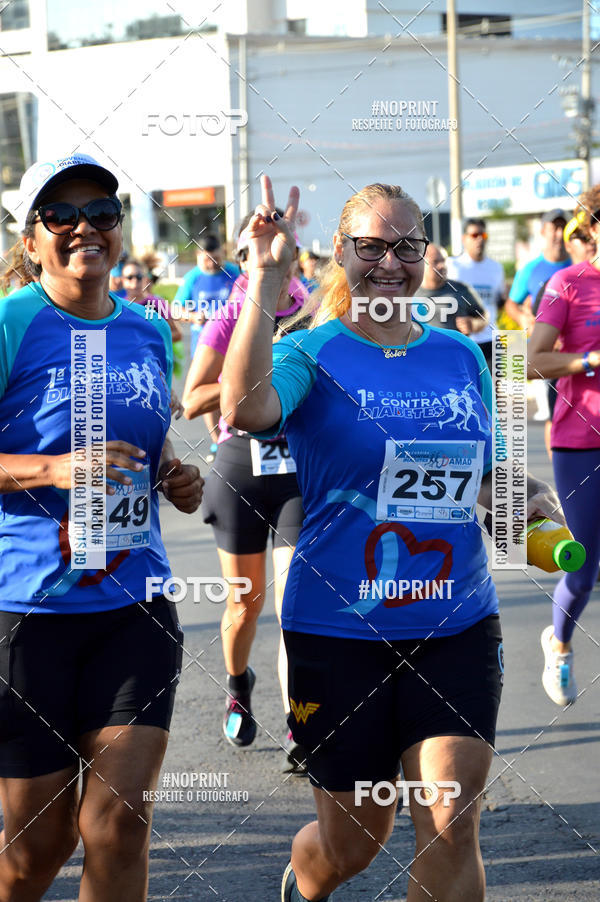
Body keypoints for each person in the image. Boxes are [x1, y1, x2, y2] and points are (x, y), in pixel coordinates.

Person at [220, 176, 561, 902]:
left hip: (456, 621)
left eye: (407, 245)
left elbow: (494, 480)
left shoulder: (467, 355)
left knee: (450, 814)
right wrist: (267, 277)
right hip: (337, 632)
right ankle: (306, 878)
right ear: (341, 253)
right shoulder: (309, 351)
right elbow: (244, 409)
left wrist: (532, 506)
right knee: (353, 839)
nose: (390, 262)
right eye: (371, 246)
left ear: (426, 254)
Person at [0, 153, 203, 901]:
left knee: (118, 824)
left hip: (133, 607)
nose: (85, 227)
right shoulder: (11, 323)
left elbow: (144, 447)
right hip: (28, 613)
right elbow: (68, 458)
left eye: (102, 213)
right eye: (63, 215)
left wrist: (174, 477)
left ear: (121, 231)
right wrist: (54, 470)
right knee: (37, 847)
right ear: (33, 240)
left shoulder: (148, 332)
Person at [182, 216, 308, 771]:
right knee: (244, 602)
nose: (279, 265)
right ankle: (237, 683)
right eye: (261, 253)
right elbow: (191, 402)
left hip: (300, 473)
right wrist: (254, 378)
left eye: (289, 255)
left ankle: (300, 725)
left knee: (295, 605)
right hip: (241, 465)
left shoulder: (314, 313)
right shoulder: (231, 314)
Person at [528, 187, 600, 706]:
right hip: (581, 442)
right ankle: (559, 643)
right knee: (583, 564)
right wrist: (589, 361)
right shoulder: (567, 283)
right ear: (592, 228)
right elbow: (531, 360)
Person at [531, 215, 597, 458]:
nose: (588, 242)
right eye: (580, 237)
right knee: (551, 417)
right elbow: (514, 306)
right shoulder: (558, 278)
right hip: (580, 427)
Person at [176, 235, 240, 461]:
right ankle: (216, 441)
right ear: (198, 256)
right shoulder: (192, 278)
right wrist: (193, 316)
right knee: (207, 394)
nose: (212, 262)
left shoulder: (235, 273)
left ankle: (232, 434)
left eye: (216, 257)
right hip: (205, 348)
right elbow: (176, 309)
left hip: (235, 347)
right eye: (207, 258)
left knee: (232, 390)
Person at [446, 217, 506, 369]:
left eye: (483, 235)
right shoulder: (453, 266)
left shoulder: (496, 268)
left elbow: (500, 301)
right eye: (474, 235)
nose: (480, 239)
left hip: (491, 340)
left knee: (497, 391)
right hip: (464, 340)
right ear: (464, 239)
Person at [504, 208, 571, 333]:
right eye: (554, 228)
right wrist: (522, 318)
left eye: (563, 228)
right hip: (541, 344)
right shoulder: (530, 269)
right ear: (543, 232)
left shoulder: (578, 265)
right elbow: (511, 304)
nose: (560, 234)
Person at [121, 257, 184, 378]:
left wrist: (148, 340)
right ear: (123, 281)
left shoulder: (157, 303)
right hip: (129, 369)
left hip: (156, 369)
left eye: (138, 277)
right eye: (129, 277)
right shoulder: (119, 306)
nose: (134, 282)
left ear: (145, 279)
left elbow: (177, 334)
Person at [419, 243, 488, 334]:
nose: (442, 266)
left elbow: (483, 317)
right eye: (435, 262)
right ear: (421, 264)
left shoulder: (461, 289)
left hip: (457, 348)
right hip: (423, 348)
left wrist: (473, 324)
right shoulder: (409, 291)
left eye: (443, 261)